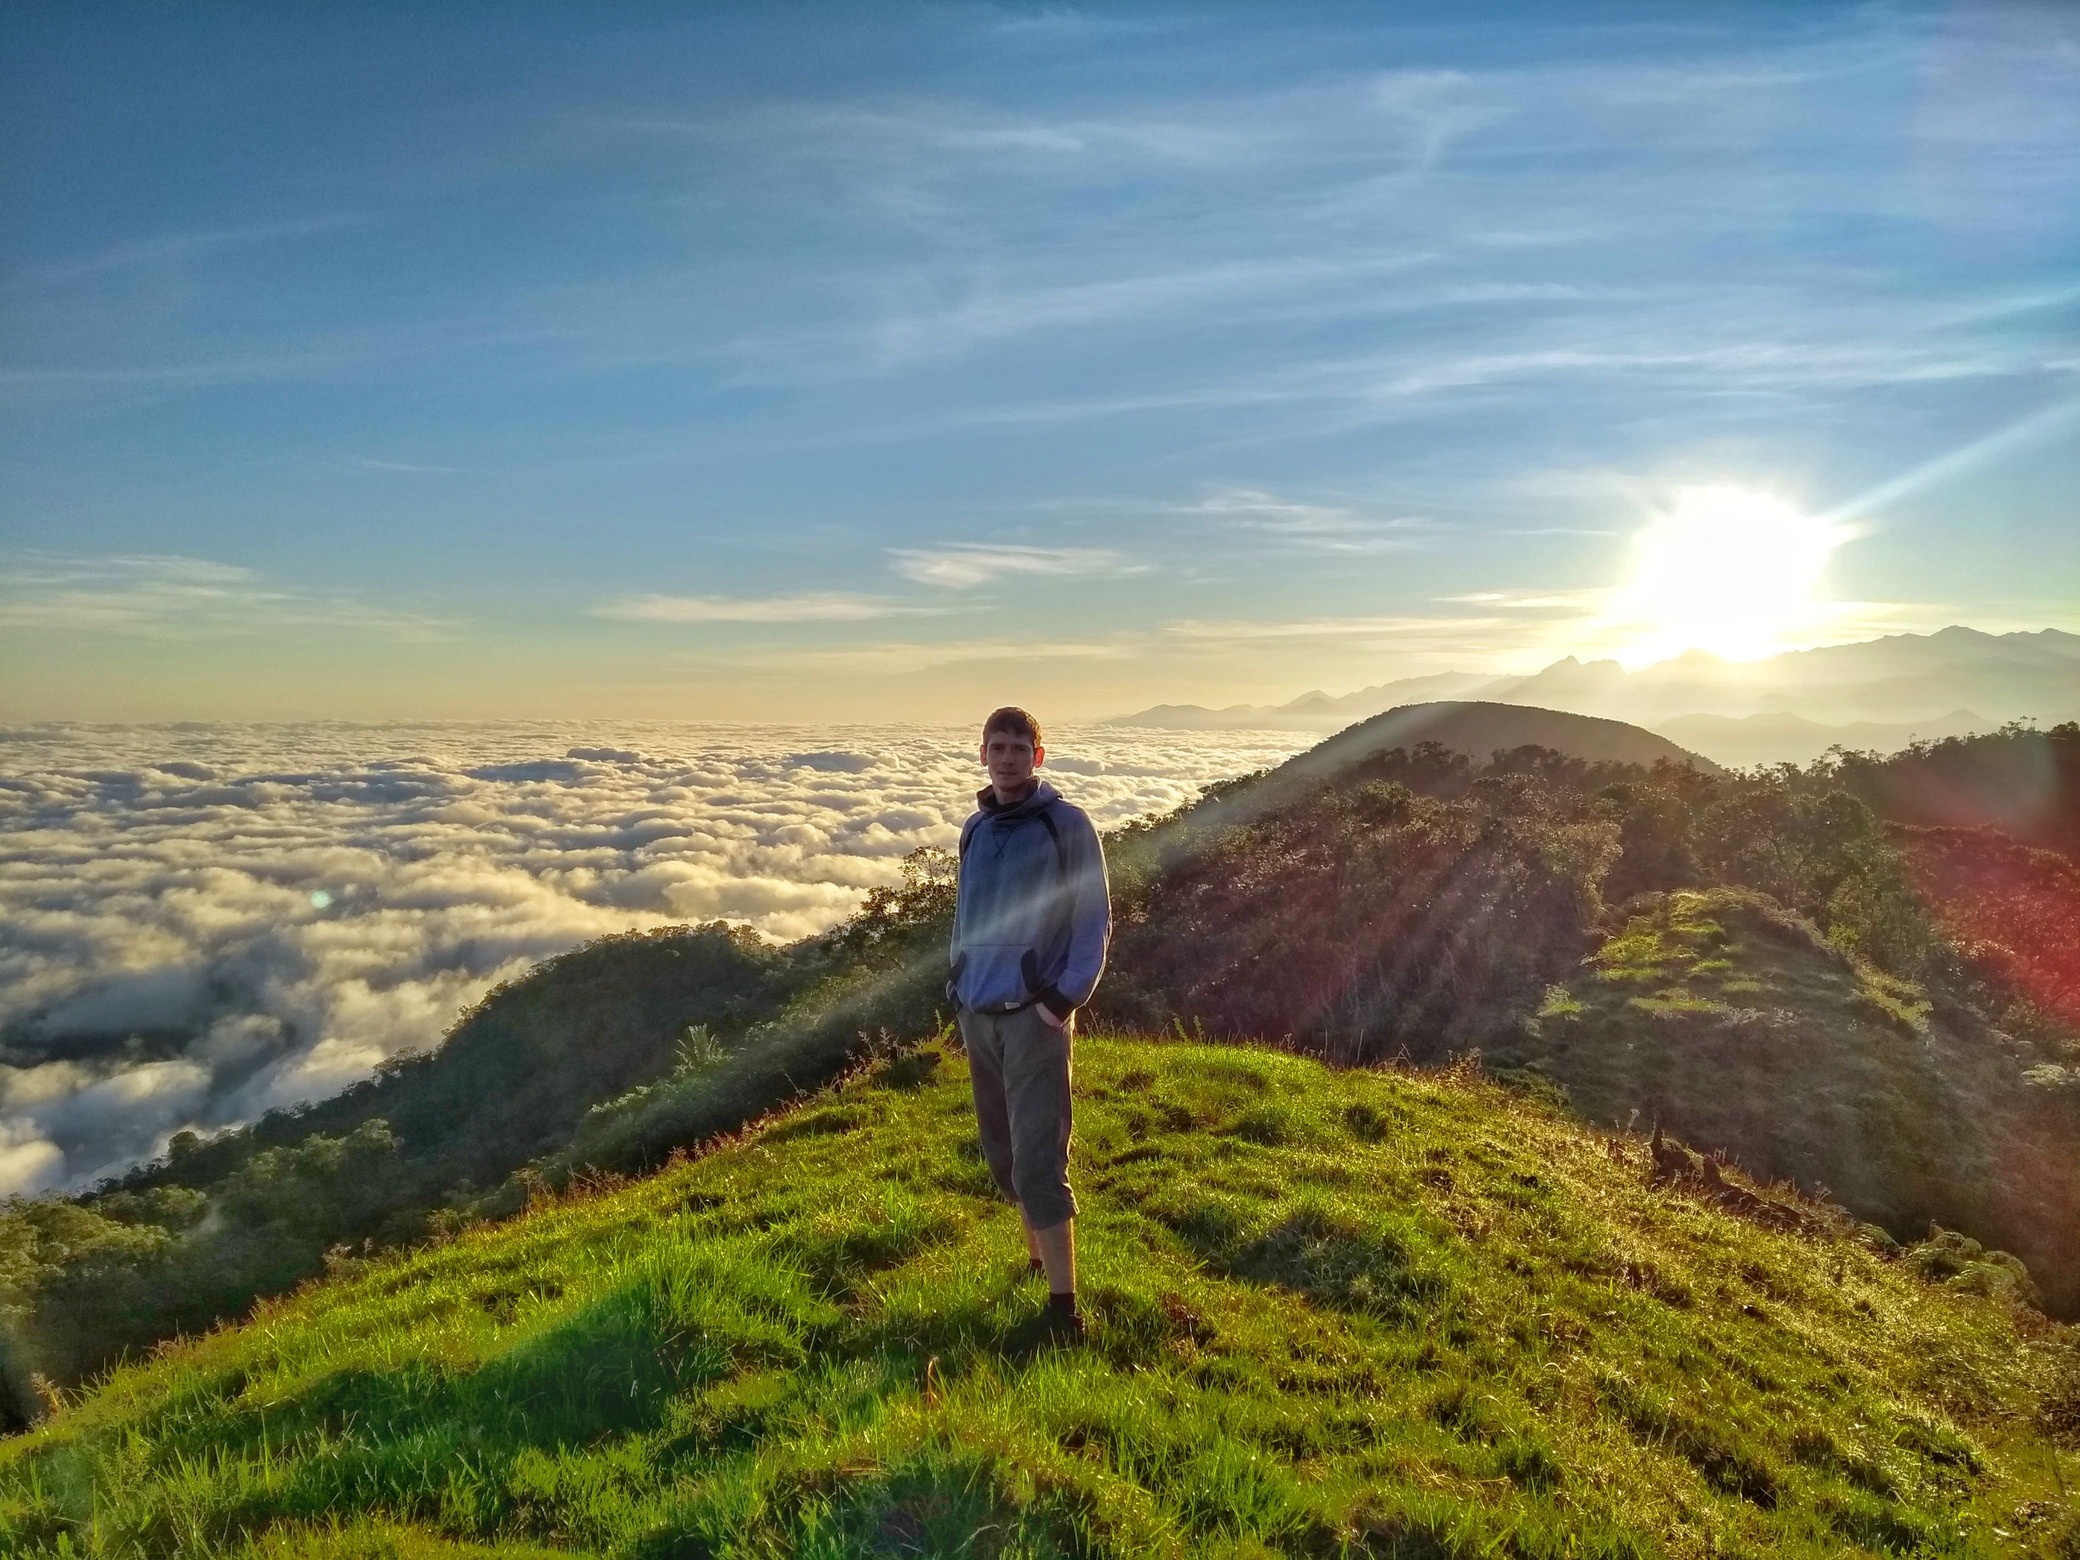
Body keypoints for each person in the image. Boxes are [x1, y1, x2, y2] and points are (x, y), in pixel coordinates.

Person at [948, 705, 1110, 1340]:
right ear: (982, 754)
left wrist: (1063, 1000)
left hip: (1034, 1015)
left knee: (1040, 1156)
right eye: (998, 746)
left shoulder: (1067, 824)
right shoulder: (974, 830)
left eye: (1020, 747)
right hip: (978, 1010)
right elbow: (964, 914)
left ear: (1038, 757)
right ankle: (1035, 1259)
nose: (1008, 757)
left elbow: (1093, 917)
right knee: (1003, 1150)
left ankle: (1063, 1308)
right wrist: (957, 984)